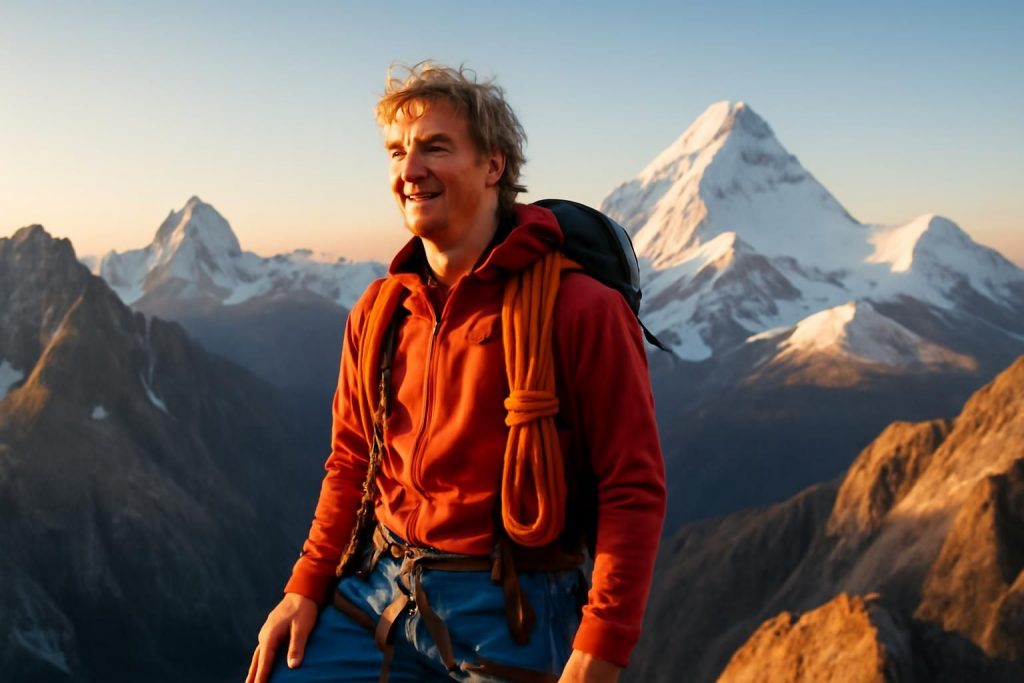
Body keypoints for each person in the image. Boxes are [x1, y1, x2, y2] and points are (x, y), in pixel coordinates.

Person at [246, 62, 666, 683]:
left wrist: (599, 649)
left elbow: (630, 491)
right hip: (381, 593)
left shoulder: (581, 310)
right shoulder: (379, 311)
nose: (409, 170)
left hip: (517, 609)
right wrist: (305, 587)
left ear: (494, 166)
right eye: (397, 152)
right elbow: (352, 461)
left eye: (434, 148)